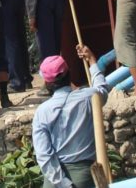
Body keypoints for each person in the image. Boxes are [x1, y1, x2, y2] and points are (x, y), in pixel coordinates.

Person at [32, 46, 110, 188]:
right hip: (85, 176)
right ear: (69, 74)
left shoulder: (41, 112)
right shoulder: (89, 96)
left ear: (47, 83)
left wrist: (63, 183)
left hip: (54, 180)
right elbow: (102, 88)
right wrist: (92, 61)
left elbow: (43, 155)